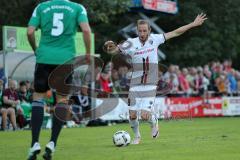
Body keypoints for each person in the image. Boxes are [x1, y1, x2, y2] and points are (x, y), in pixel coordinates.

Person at [103, 13, 207, 144]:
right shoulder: (130, 43)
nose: (142, 33)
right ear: (137, 31)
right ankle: (137, 136)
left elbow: (175, 32)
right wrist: (109, 47)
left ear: (149, 30)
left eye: (144, 30)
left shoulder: (156, 39)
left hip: (150, 83)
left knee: (145, 115)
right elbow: (114, 51)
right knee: (132, 115)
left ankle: (154, 121)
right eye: (140, 30)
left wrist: (193, 24)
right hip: (135, 83)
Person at [27, 0, 92, 159]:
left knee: (38, 98)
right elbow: (85, 30)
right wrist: (88, 53)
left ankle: (35, 143)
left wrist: (36, 49)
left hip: (44, 58)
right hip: (65, 60)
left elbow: (29, 32)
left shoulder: (41, 7)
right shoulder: (77, 8)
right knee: (62, 100)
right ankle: (52, 144)